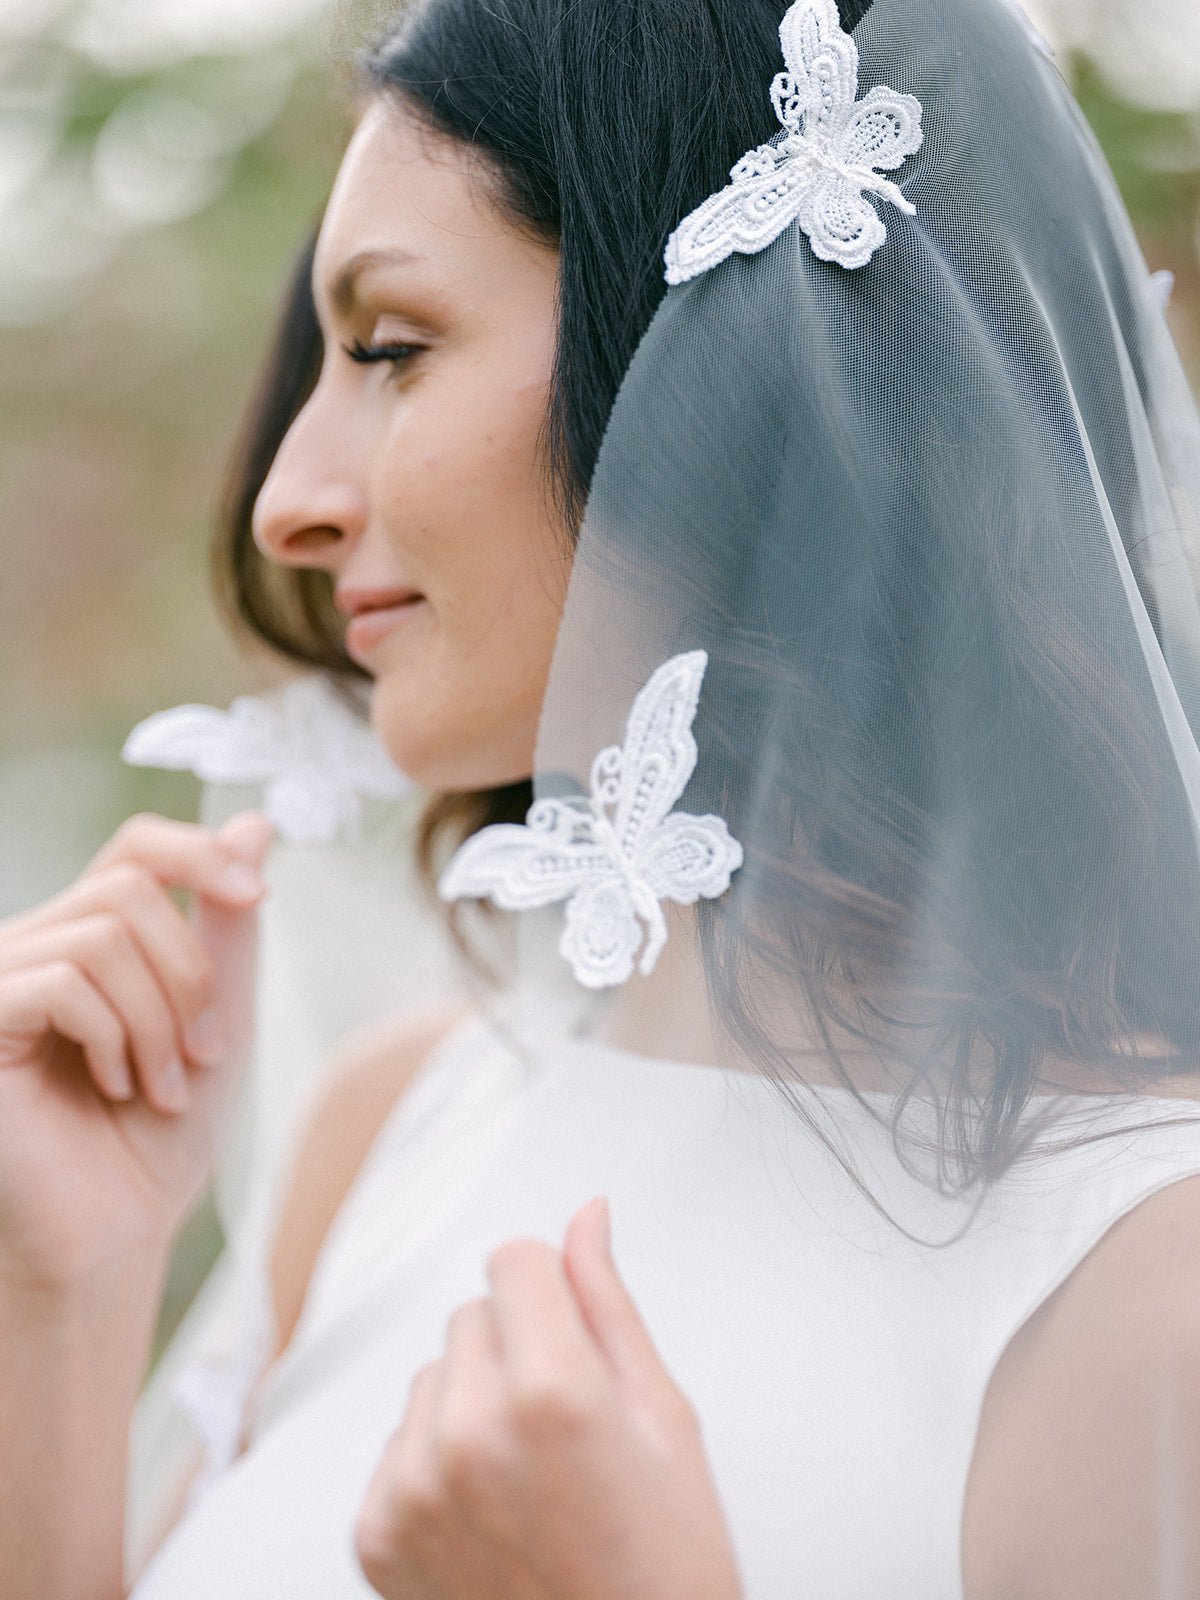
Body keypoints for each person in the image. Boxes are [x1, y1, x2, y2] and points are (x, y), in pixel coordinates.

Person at [3, 1, 1200, 1598]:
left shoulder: (1142, 1280)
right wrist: (69, 1291)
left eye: (388, 352)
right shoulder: (386, 1125)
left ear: (731, 370)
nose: (288, 498)